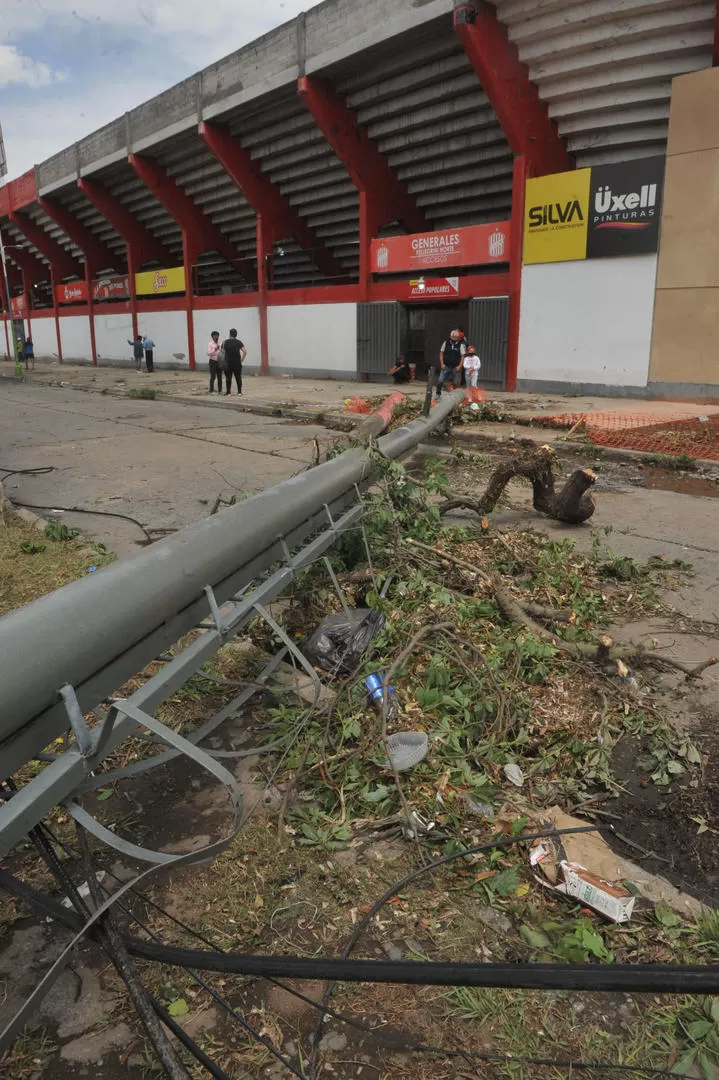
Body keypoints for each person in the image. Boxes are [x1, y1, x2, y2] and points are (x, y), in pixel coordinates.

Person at [436, 328, 466, 397]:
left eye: (456, 338)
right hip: (446, 366)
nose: (454, 339)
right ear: (450, 337)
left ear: (458, 338)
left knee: (455, 383)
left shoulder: (461, 345)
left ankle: (453, 397)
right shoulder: (445, 343)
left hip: (455, 367)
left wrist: (459, 366)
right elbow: (441, 353)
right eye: (453, 337)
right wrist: (442, 364)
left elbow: (462, 356)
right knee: (440, 380)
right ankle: (438, 394)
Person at [223, 328, 246, 396]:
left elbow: (222, 352)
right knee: (238, 377)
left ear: (230, 334)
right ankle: (239, 392)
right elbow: (245, 352)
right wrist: (241, 360)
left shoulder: (225, 342)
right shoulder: (238, 342)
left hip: (228, 363)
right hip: (237, 363)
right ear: (236, 334)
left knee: (228, 378)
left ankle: (228, 392)